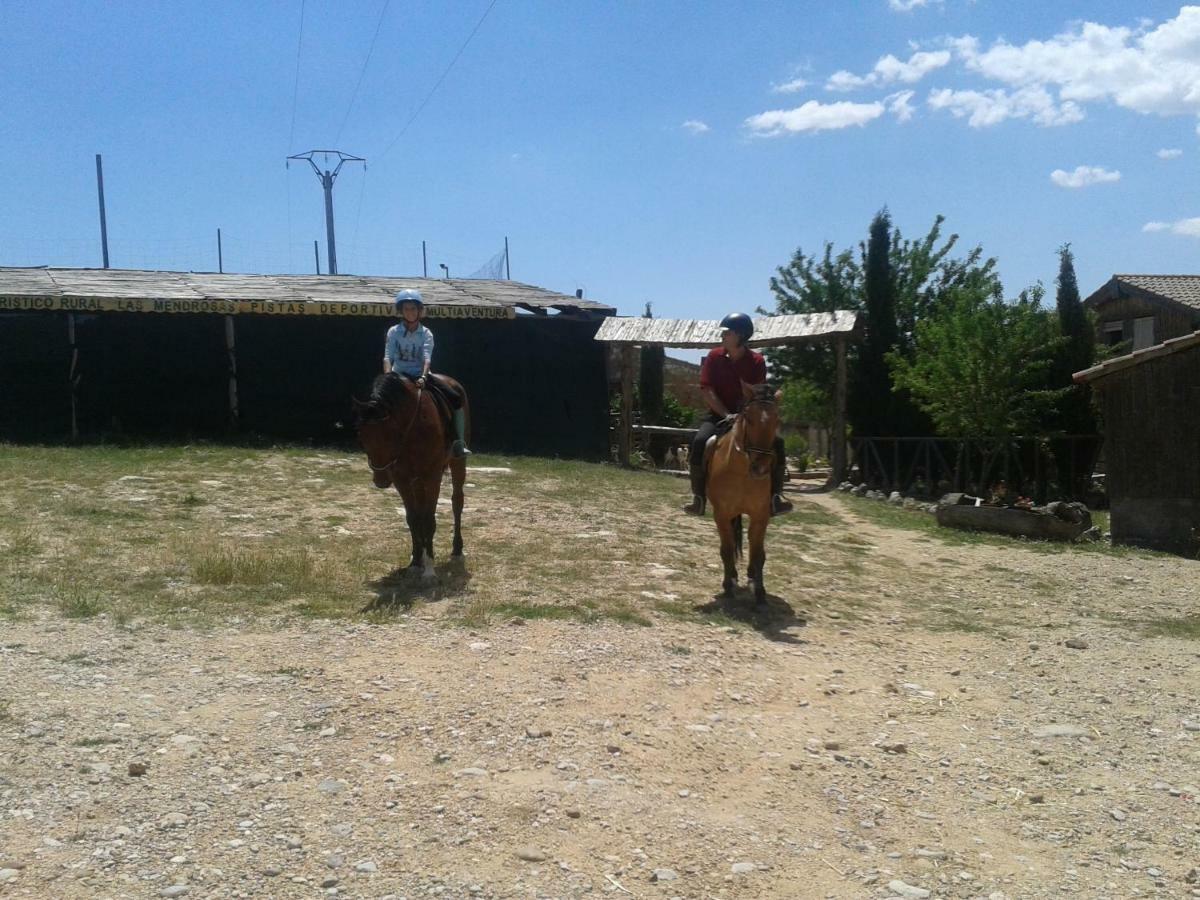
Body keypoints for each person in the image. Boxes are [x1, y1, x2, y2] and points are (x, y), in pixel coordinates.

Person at [681, 312, 792, 516]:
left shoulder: (757, 361)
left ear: (740, 335)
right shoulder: (714, 357)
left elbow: (756, 394)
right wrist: (725, 414)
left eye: (727, 332)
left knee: (778, 443)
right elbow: (707, 390)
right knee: (700, 441)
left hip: (747, 417)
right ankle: (698, 498)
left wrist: (742, 415)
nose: (722, 336)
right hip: (718, 415)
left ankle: (776, 497)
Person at [384, 288, 471, 457]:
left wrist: (424, 377)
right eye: (406, 309)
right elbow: (388, 356)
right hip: (398, 375)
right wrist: (388, 377)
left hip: (420, 375)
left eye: (413, 308)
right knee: (377, 402)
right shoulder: (393, 332)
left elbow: (427, 358)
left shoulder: (426, 333)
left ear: (419, 311)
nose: (410, 312)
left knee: (455, 398)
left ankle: (458, 442)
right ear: (401, 311)